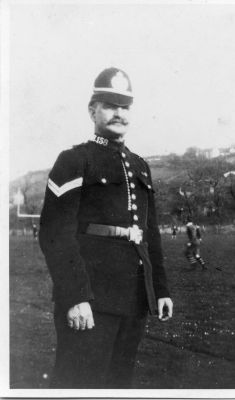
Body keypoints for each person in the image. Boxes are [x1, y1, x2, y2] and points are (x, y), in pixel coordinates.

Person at [39, 67, 173, 389]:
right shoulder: (74, 160)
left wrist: (162, 290)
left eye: (125, 107)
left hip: (134, 301)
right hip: (91, 301)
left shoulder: (140, 165)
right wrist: (75, 296)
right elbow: (55, 233)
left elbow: (149, 233)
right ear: (92, 110)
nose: (119, 114)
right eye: (110, 105)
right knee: (78, 386)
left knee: (119, 387)